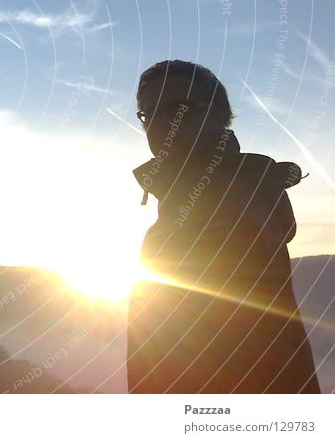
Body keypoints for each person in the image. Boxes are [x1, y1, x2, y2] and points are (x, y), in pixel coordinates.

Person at [126, 60, 320, 393]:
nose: (160, 124)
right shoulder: (219, 197)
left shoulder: (225, 205)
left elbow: (198, 353)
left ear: (219, 115)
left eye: (178, 109)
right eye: (149, 112)